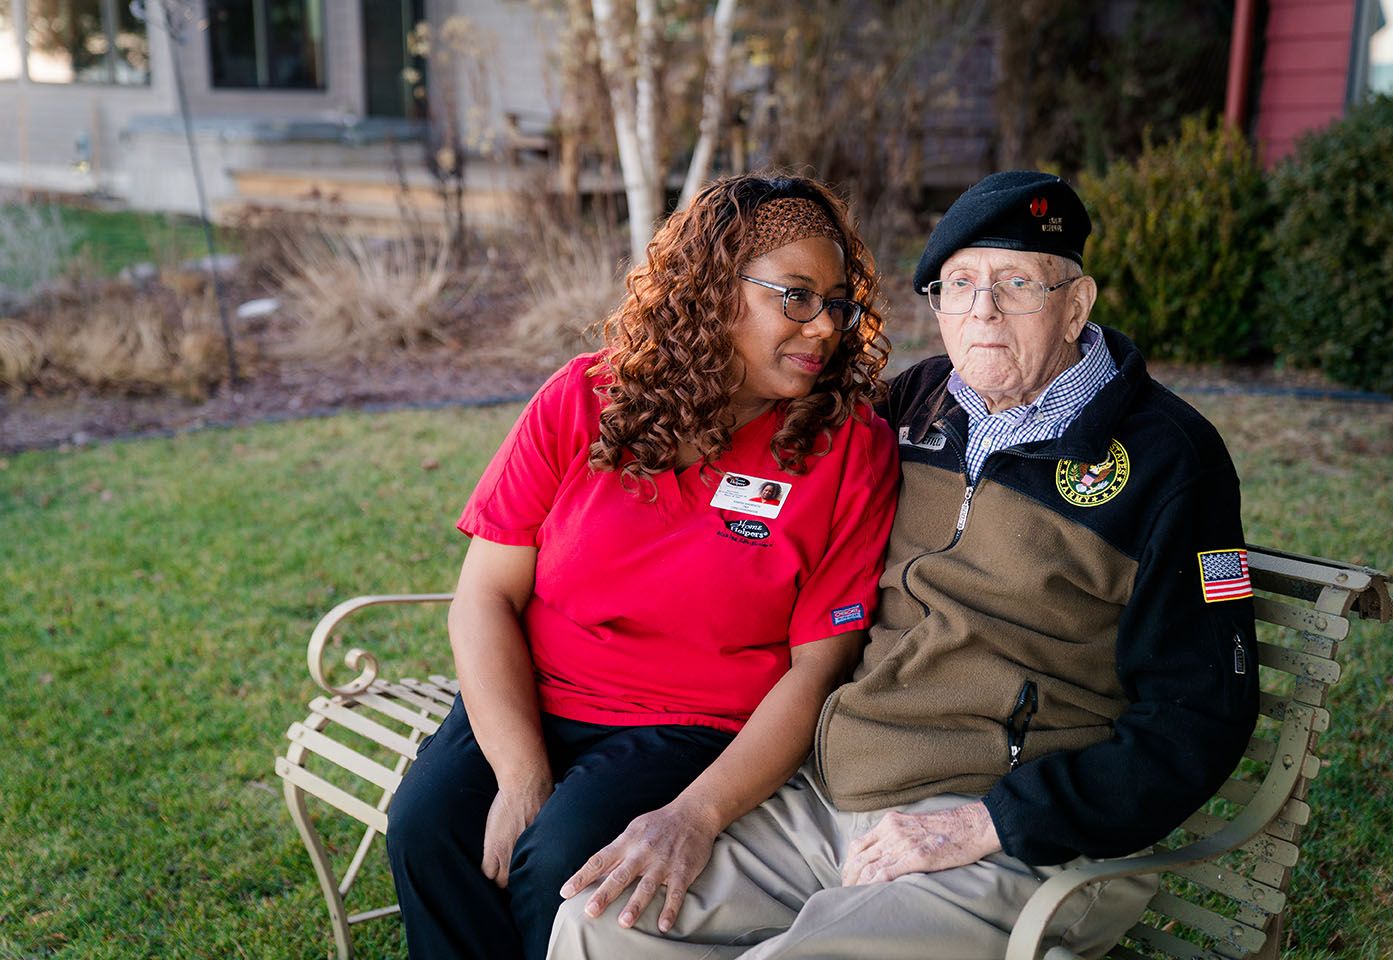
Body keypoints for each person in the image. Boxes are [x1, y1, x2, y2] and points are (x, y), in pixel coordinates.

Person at [549, 170, 1260, 959]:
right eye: (959, 285)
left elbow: (1200, 715)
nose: (983, 310)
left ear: (1077, 304)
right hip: (842, 795)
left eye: (1016, 283)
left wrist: (995, 819)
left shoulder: (1172, 463)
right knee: (601, 922)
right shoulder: (912, 408)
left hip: (1022, 837)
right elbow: (763, 441)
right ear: (938, 308)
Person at [384, 173, 900, 960]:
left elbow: (816, 671)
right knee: (428, 827)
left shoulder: (847, 450)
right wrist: (521, 776)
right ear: (711, 290)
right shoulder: (584, 399)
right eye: (795, 296)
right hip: (541, 687)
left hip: (688, 726)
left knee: (561, 865)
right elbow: (484, 595)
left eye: (837, 302)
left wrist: (693, 814)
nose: (825, 327)